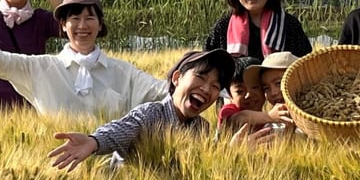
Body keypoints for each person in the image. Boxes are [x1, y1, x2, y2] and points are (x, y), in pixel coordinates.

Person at [0, 0, 164, 120]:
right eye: (74, 18)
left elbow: (164, 91)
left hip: (112, 171)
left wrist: (199, 70)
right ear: (63, 26)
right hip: (56, 170)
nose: (82, 25)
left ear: (100, 25)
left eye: (90, 18)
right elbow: (2, 61)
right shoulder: (42, 68)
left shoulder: (123, 72)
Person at [47, 49, 239, 170]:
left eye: (215, 86)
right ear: (177, 78)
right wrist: (94, 141)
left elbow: (203, 165)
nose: (207, 89)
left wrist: (230, 152)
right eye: (201, 77)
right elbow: (123, 128)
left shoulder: (202, 128)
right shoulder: (152, 115)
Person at [217, 56, 265, 129]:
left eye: (255, 87)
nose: (249, 95)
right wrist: (271, 116)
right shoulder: (228, 111)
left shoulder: (272, 123)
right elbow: (238, 119)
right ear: (229, 94)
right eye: (240, 91)